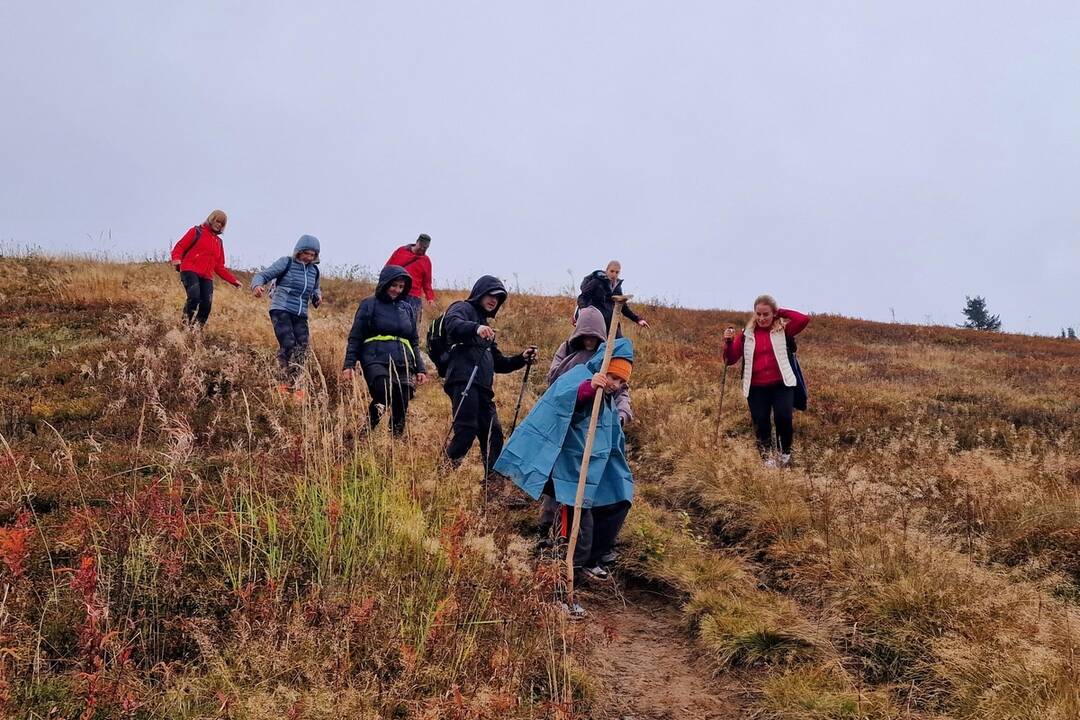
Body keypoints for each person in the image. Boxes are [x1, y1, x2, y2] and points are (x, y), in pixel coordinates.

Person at [495, 338, 635, 584]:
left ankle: (589, 561)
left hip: (594, 469)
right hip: (571, 472)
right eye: (613, 377)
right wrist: (589, 388)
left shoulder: (610, 398)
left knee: (618, 500)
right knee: (579, 528)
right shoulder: (581, 378)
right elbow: (564, 401)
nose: (616, 384)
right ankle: (566, 580)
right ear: (603, 366)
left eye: (621, 381)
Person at [539, 306, 632, 567]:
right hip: (569, 433)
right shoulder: (567, 352)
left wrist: (622, 413)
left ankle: (595, 551)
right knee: (563, 489)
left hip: (600, 436)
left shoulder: (611, 357)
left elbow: (622, 390)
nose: (589, 341)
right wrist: (586, 386)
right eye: (585, 335)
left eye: (594, 336)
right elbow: (556, 384)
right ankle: (555, 538)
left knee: (608, 491)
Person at [442, 275, 537, 472]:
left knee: (493, 433)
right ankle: (441, 477)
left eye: (499, 298)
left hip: (483, 387)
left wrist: (522, 358)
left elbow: (499, 363)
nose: (494, 300)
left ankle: (492, 485)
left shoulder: (486, 326)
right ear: (480, 293)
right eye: (490, 295)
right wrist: (476, 328)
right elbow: (451, 323)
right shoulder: (463, 308)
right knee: (466, 431)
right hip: (463, 380)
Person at [722, 295, 810, 467]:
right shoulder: (746, 334)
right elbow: (730, 359)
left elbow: (803, 319)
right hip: (756, 388)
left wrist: (780, 312)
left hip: (782, 384)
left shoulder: (783, 330)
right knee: (761, 422)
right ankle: (767, 458)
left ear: (773, 313)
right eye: (758, 314)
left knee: (783, 417)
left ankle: (785, 453)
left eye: (766, 314)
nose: (761, 318)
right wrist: (728, 344)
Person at [341, 265, 427, 436]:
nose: (397, 290)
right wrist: (349, 364)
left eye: (401, 287)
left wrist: (420, 368)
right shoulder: (369, 304)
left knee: (403, 399)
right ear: (385, 283)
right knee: (384, 392)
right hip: (374, 357)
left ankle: (394, 442)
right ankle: (364, 433)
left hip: (403, 359)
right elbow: (356, 336)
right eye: (394, 285)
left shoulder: (407, 308)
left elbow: (414, 341)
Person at [250, 235, 323, 395]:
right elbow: (262, 275)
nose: (309, 257)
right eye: (306, 253)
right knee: (289, 343)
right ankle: (282, 382)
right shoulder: (286, 263)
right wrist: (257, 286)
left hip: (301, 313)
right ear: (298, 251)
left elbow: (316, 288)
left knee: (303, 348)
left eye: (312, 255)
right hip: (281, 309)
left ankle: (294, 385)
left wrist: (317, 296)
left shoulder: (314, 271)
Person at [170, 210, 241, 326]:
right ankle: (184, 326)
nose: (219, 225)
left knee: (206, 305)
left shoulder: (219, 242)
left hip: (206, 276)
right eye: (217, 221)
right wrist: (176, 259)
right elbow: (180, 246)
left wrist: (233, 281)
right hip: (190, 269)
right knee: (194, 297)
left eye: (222, 224)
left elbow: (219, 267)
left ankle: (195, 333)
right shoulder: (196, 231)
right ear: (211, 219)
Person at [576, 260, 649, 336]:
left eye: (617, 272)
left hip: (612, 324)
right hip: (596, 323)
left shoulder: (617, 288)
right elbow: (582, 298)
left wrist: (638, 320)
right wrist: (584, 312)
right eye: (612, 271)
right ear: (606, 271)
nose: (614, 274)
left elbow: (623, 307)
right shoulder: (596, 282)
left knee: (619, 345)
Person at [385, 234, 436, 327]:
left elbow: (427, 283)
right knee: (390, 321)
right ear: (417, 242)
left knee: (412, 326)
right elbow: (387, 269)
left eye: (425, 248)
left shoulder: (426, 261)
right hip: (396, 292)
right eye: (421, 246)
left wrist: (430, 298)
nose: (423, 250)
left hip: (413, 298)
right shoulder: (401, 251)